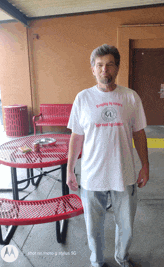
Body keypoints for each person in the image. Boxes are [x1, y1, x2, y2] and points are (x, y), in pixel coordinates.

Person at [66, 44, 149, 267]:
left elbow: (139, 134)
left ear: (117, 68)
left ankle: (122, 257)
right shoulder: (82, 98)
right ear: (93, 69)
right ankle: (97, 261)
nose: (105, 70)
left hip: (125, 174)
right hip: (92, 176)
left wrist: (145, 166)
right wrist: (70, 169)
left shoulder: (130, 97)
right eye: (100, 65)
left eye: (110, 65)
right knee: (93, 227)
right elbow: (76, 137)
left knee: (127, 226)